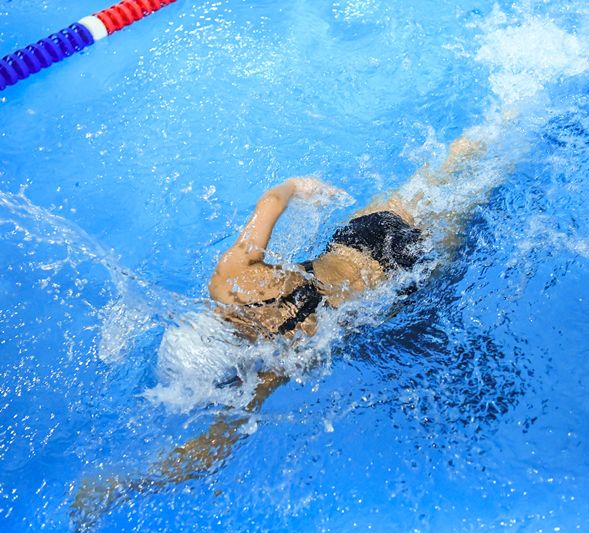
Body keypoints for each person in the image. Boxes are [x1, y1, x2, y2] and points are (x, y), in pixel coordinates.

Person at [71, 134, 486, 526]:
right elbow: (271, 201)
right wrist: (298, 186)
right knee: (447, 166)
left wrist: (124, 484)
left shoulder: (279, 358)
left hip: (399, 273)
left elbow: (213, 449)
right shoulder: (229, 278)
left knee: (473, 195)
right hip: (359, 236)